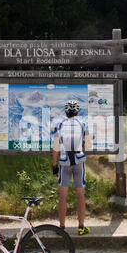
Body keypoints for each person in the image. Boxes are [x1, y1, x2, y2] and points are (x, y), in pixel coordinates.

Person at [52, 100, 92, 235]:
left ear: (65, 112)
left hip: (64, 162)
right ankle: (81, 227)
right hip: (79, 162)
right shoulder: (83, 124)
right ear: (77, 112)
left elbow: (56, 148)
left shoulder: (60, 125)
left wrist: (54, 166)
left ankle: (62, 227)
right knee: (80, 195)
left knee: (63, 196)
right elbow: (88, 146)